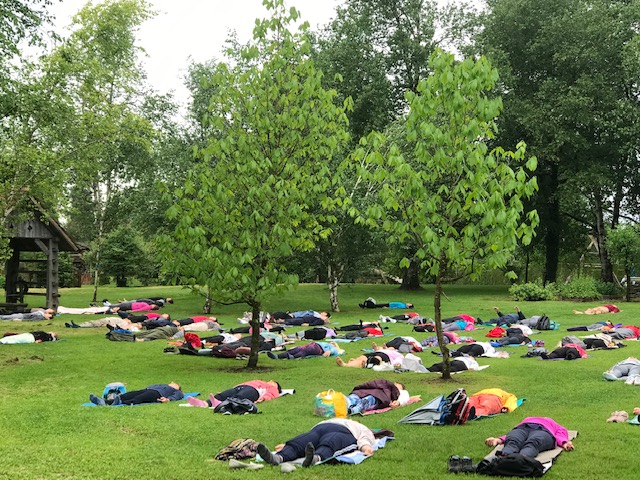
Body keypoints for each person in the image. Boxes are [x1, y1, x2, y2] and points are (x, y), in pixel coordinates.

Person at [257, 418, 378, 467]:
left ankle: (314, 458)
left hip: (344, 432)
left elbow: (365, 438)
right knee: (301, 442)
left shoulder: (360, 427)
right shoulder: (334, 419)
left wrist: (365, 447)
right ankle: (277, 458)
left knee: (330, 442)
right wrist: (286, 445)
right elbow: (306, 436)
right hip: (319, 429)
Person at [484, 417, 574, 459]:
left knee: (533, 442)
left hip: (543, 430)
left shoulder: (550, 422)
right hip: (523, 427)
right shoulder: (526, 420)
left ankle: (522, 458)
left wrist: (564, 442)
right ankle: (503, 457)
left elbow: (561, 431)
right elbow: (512, 434)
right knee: (513, 441)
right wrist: (498, 439)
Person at [187, 380, 281, 408]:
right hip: (240, 387)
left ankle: (221, 404)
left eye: (274, 382)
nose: (271, 381)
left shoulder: (272, 388)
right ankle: (204, 403)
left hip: (254, 390)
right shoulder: (259, 380)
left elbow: (271, 394)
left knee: (239, 397)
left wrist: (263, 398)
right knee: (222, 395)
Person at [346, 379, 419, 414]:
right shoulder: (386, 383)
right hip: (367, 391)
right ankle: (345, 404)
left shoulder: (401, 392)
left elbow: (405, 396)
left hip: (379, 396)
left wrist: (398, 402)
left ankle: (353, 410)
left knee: (369, 399)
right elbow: (372, 384)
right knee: (354, 397)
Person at [89, 382, 183, 406]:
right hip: (146, 389)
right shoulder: (162, 385)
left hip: (156, 394)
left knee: (139, 398)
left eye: (175, 383)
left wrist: (168, 399)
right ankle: (105, 402)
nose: (172, 382)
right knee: (129, 394)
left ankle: (121, 402)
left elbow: (178, 395)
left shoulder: (176, 391)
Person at [335, 348, 404, 369]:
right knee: (361, 358)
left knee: (377, 359)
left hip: (385, 356)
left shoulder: (396, 353)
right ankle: (345, 364)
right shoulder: (383, 349)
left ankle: (366, 364)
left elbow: (401, 357)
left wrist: (397, 363)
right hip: (375, 352)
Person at [267, 341, 343, 359]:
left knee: (305, 351)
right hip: (313, 345)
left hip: (318, 348)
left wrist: (329, 351)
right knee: (298, 349)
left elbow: (334, 351)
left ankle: (292, 356)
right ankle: (277, 356)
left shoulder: (332, 347)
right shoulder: (325, 343)